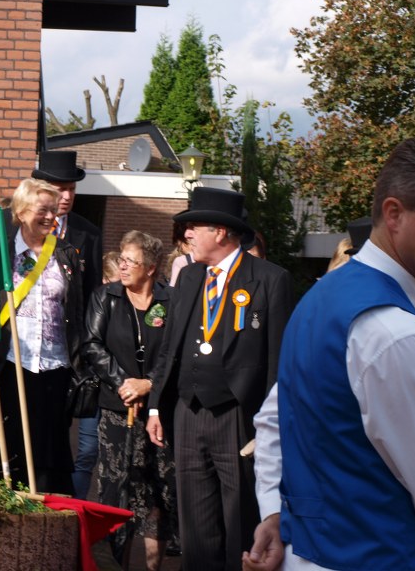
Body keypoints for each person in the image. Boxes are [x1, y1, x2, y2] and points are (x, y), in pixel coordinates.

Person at [247, 137, 415, 571]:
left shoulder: (322, 299)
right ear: (394, 214)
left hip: (307, 553)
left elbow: (272, 420)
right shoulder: (393, 330)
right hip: (380, 556)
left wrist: (272, 509)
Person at [145, 187, 293, 571]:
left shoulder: (269, 279)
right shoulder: (191, 277)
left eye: (194, 227)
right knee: (195, 523)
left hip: (238, 416)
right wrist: (157, 405)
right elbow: (169, 347)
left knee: (240, 518)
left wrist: (270, 425)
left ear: (222, 232)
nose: (187, 235)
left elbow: (278, 358)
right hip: (187, 412)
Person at [83, 231, 175, 570]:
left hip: (158, 411)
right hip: (115, 407)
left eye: (130, 261)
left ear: (150, 268)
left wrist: (149, 384)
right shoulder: (104, 296)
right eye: (121, 259)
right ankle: (113, 564)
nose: (122, 266)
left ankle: (153, 566)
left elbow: (173, 351)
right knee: (114, 487)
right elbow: (92, 344)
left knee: (158, 490)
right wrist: (125, 384)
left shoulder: (172, 300)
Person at [0, 178, 83, 495]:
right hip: (11, 361)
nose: (50, 217)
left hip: (55, 364)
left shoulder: (66, 253)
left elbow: (78, 309)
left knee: (49, 446)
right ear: (21, 211)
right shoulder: (3, 251)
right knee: (12, 440)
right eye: (42, 210)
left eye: (53, 211)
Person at [28, 150, 103, 500]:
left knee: (58, 437)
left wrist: (86, 355)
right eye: (60, 188)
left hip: (64, 354)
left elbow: (92, 297)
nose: (67, 196)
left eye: (71, 188)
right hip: (23, 352)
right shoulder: (18, 230)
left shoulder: (88, 234)